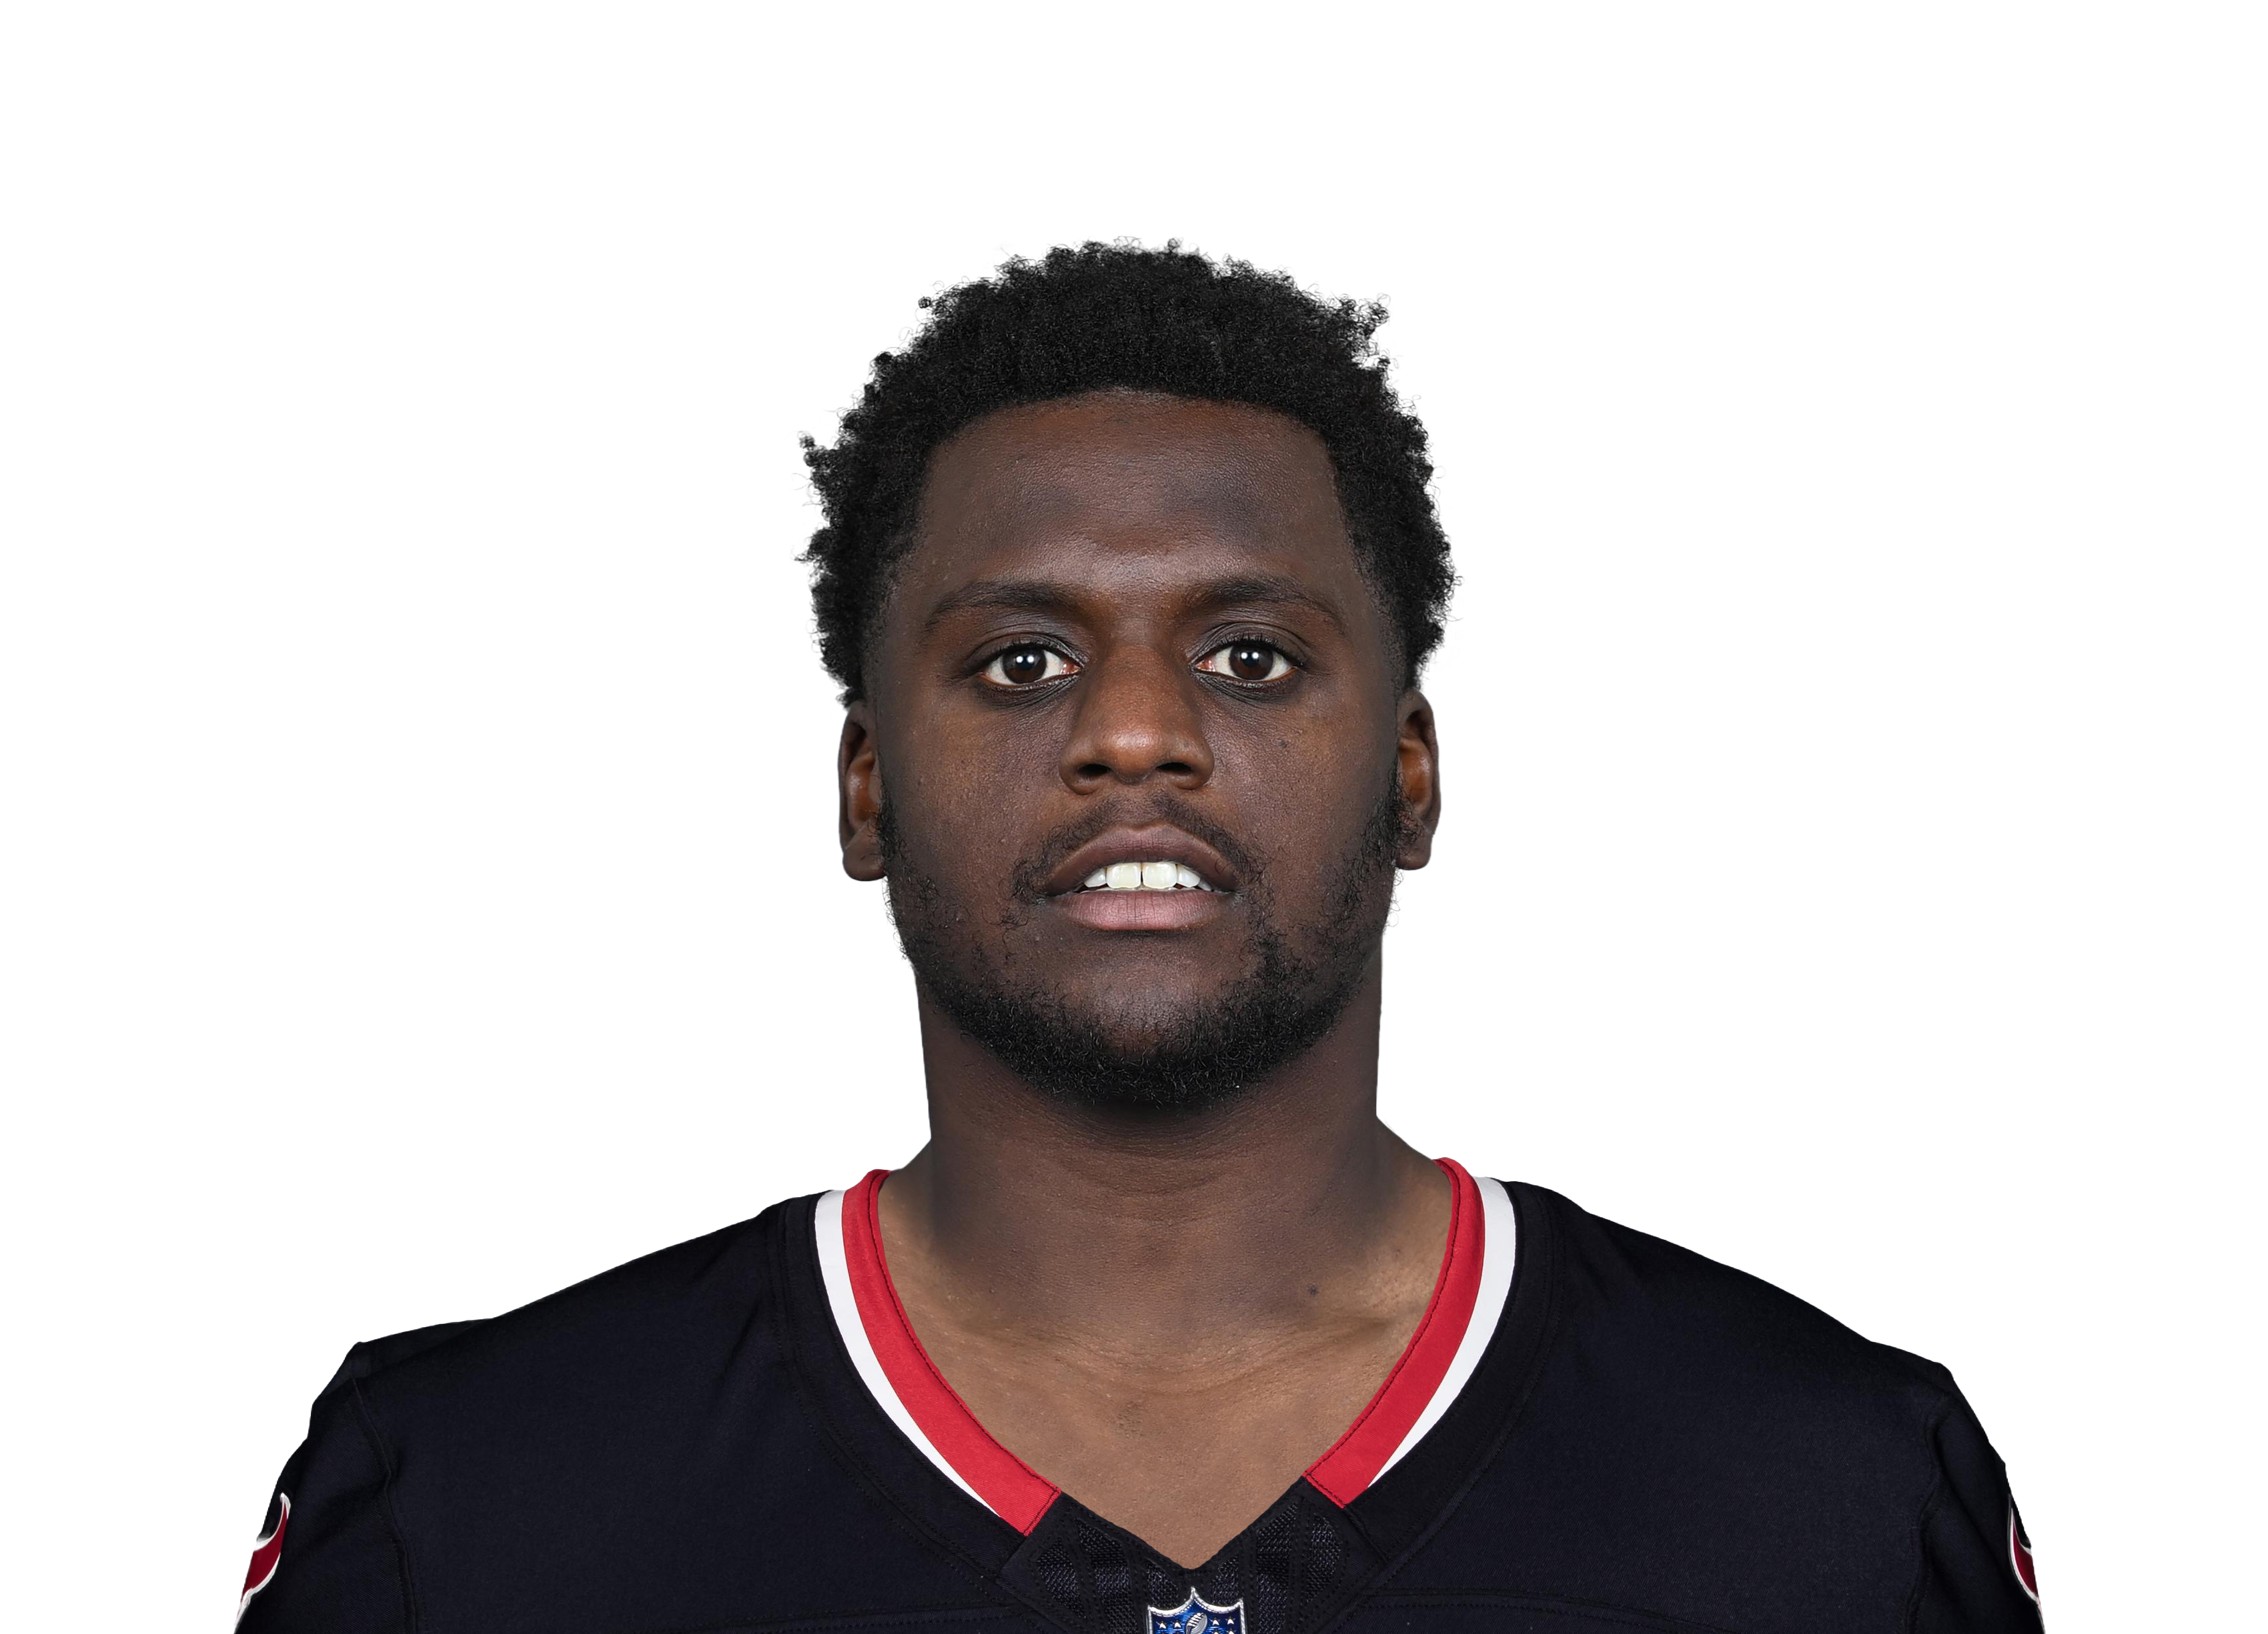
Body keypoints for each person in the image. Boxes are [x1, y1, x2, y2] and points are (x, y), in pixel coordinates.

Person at [240, 237, 2039, 1631]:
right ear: (865, 789)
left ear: (1412, 781)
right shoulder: (471, 1489)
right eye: (1021, 661)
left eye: (1250, 657)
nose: (1133, 734)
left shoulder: (1840, 1482)